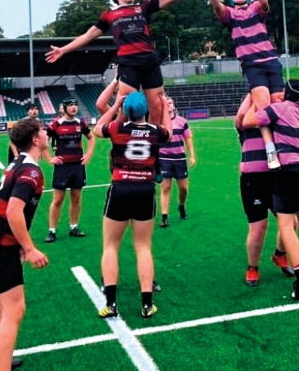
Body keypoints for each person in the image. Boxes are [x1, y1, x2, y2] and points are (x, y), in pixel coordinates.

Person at [45, 0, 210, 125]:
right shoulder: (109, 15)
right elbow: (88, 35)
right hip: (128, 63)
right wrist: (63, 50)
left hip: (149, 61)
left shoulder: (144, 6)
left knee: (157, 106)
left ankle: (152, 140)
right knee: (128, 106)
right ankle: (123, 140)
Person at [0, 118, 49, 371]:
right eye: (43, 130)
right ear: (36, 139)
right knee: (15, 310)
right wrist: (29, 248)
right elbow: (14, 212)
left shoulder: (18, 163)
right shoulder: (30, 170)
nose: (46, 133)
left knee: (6, 305)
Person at [94, 92, 171, 319]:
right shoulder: (156, 132)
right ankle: (147, 305)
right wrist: (165, 107)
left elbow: (98, 127)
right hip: (145, 189)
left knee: (110, 246)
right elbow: (169, 132)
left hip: (120, 187)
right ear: (145, 110)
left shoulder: (117, 129)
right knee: (143, 247)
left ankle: (111, 304)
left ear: (126, 110)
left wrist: (117, 103)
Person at [205, 0, 284, 170]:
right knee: (263, 106)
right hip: (252, 64)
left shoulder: (256, 9)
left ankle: (282, 144)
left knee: (278, 105)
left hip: (272, 62)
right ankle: (270, 152)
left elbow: (265, 1)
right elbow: (215, 4)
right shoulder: (229, 15)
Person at [250, 80, 299, 300]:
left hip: (288, 171)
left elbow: (253, 120)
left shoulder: (279, 109)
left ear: (285, 93)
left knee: (286, 225)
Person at [235, 94, 294, 287]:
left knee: (291, 222)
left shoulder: (275, 119)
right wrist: (257, 91)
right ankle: (253, 267)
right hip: (253, 181)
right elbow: (242, 116)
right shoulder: (245, 123)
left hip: (277, 177)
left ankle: (280, 254)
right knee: (258, 228)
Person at [44, 98, 95, 243]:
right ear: (64, 108)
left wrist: (88, 154)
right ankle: (52, 230)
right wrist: (49, 158)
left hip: (78, 166)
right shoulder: (56, 124)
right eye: (71, 105)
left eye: (75, 105)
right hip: (62, 167)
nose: (74, 108)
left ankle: (74, 227)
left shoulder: (81, 123)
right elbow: (43, 141)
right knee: (58, 199)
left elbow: (91, 138)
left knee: (76, 198)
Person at [158, 97, 196, 227]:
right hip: (164, 159)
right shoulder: (159, 122)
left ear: (174, 106)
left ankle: (181, 206)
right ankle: (164, 217)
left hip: (180, 159)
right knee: (166, 187)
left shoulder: (182, 121)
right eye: (165, 103)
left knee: (183, 188)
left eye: (170, 103)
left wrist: (192, 156)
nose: (168, 105)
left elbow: (188, 138)